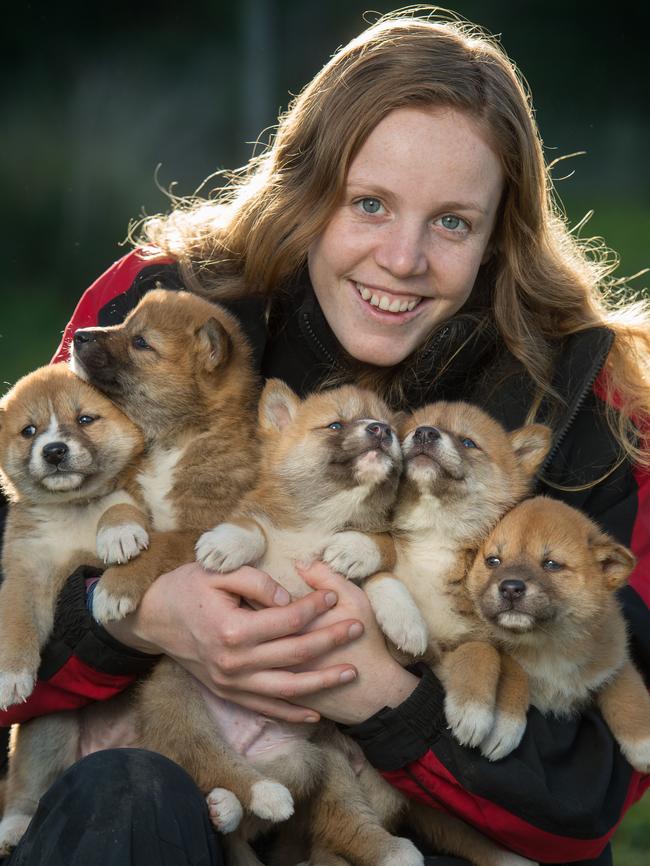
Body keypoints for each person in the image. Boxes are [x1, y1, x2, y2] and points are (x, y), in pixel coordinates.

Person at [1, 8, 648, 866]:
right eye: (369, 203)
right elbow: (23, 547)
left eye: (453, 222)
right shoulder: (165, 308)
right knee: (122, 791)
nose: (402, 258)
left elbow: (585, 793)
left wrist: (379, 693)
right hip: (170, 798)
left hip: (403, 831)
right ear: (308, 191)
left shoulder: (595, 406)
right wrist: (142, 617)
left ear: (501, 237)